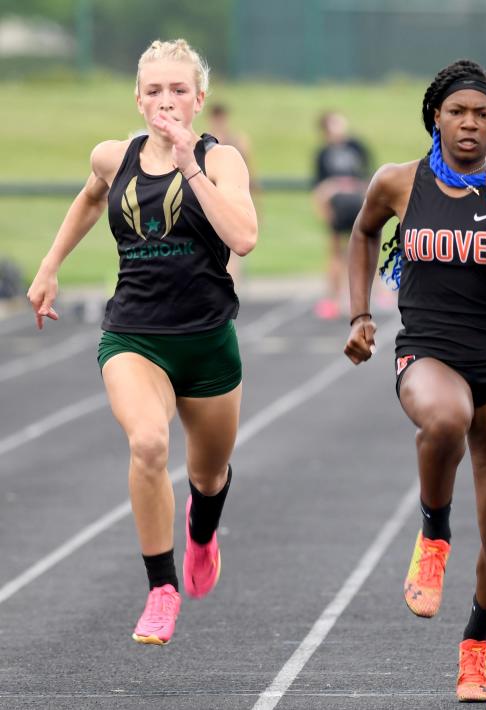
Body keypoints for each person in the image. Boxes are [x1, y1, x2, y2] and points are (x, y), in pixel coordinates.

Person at [26, 39, 257, 645]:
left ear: (199, 98)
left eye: (179, 90)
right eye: (154, 91)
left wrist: (189, 164)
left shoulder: (221, 160)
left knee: (208, 477)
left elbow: (244, 236)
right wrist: (50, 266)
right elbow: (89, 197)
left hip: (207, 343)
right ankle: (161, 588)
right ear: (137, 97)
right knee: (149, 443)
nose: (166, 101)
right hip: (134, 336)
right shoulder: (113, 155)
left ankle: (203, 533)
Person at [342, 59, 486, 702]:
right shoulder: (398, 182)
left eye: (483, 115)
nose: (469, 124)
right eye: (458, 111)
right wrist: (359, 314)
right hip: (428, 350)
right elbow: (362, 232)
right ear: (436, 115)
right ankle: (434, 533)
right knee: (445, 417)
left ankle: (476, 646)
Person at [312, 111, 371, 319]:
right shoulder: (323, 153)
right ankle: (334, 299)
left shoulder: (356, 146)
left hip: (356, 204)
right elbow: (319, 187)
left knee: (361, 252)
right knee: (335, 254)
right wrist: (324, 209)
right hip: (337, 207)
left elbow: (368, 177)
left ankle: (361, 301)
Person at [207, 102, 258, 284]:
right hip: (211, 201)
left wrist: (255, 202)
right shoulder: (204, 143)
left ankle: (231, 287)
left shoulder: (238, 141)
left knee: (234, 248)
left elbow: (249, 171)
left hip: (232, 197)